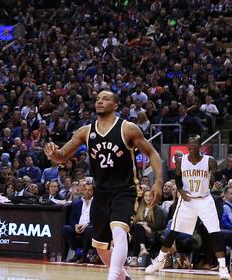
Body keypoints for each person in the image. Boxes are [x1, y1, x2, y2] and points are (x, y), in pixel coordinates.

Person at [45, 90, 163, 280]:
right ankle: (122, 277)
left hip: (125, 190)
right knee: (100, 246)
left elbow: (153, 154)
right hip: (101, 192)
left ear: (115, 105)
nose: (100, 101)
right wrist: (53, 153)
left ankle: (112, 277)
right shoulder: (85, 131)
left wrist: (158, 181)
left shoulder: (128, 129)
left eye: (105, 99)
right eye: (98, 99)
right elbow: (61, 156)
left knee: (119, 230)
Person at [146, 135, 229, 279]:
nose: (192, 146)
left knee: (215, 233)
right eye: (189, 143)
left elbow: (219, 176)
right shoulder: (181, 161)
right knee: (172, 232)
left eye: (195, 143)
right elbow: (177, 178)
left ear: (200, 145)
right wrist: (181, 191)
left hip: (204, 200)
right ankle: (159, 261)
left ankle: (223, 268)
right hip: (187, 201)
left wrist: (219, 183)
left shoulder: (209, 161)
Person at [129, 189, 166, 264]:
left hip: (152, 233)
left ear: (154, 197)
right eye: (146, 196)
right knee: (138, 228)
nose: (148, 198)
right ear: (143, 197)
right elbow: (135, 223)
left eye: (150, 196)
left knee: (138, 228)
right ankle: (142, 247)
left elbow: (158, 225)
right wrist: (143, 225)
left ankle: (134, 259)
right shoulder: (140, 208)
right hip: (140, 233)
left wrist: (147, 225)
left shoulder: (158, 210)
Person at [64, 183, 94, 263]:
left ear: (93, 191)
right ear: (83, 190)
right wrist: (75, 225)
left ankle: (84, 256)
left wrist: (87, 225)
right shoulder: (76, 203)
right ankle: (77, 252)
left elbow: (97, 219)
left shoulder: (96, 204)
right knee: (66, 228)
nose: (87, 192)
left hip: (90, 227)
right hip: (79, 226)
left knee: (89, 229)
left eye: (89, 190)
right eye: (85, 189)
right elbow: (71, 218)